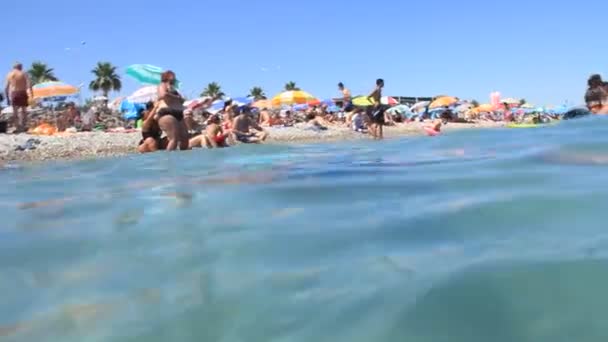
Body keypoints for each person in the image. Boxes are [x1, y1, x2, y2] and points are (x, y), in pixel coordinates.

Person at [155, 70, 189, 150]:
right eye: (172, 75)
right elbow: (163, 94)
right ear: (166, 76)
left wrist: (180, 99)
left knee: (185, 138)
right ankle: (168, 159)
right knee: (174, 138)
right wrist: (176, 97)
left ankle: (183, 159)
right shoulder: (162, 85)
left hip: (178, 113)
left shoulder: (173, 88)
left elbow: (181, 100)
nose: (174, 77)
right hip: (167, 113)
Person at [4, 62, 33, 133]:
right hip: (22, 92)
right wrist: (31, 94)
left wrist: (7, 98)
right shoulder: (24, 73)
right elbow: (29, 84)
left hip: (14, 93)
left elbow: (6, 88)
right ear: (20, 67)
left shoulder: (9, 74)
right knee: (23, 111)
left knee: (15, 112)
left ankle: (17, 127)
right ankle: (22, 127)